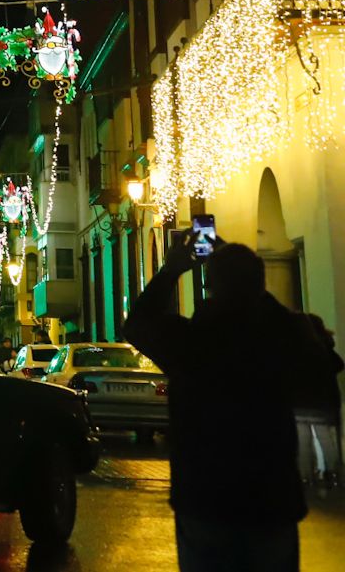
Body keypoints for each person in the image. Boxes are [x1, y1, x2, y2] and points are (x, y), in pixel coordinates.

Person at [123, 239, 342, 572]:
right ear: (259, 285)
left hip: (205, 497)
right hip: (271, 496)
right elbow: (316, 361)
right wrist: (257, 288)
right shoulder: (280, 335)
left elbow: (137, 323)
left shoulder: (191, 342)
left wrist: (171, 271)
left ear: (210, 285)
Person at [296, 313, 344, 493]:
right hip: (321, 404)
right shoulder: (323, 349)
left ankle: (306, 476)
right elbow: (338, 365)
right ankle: (333, 474)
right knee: (326, 439)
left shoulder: (294, 350)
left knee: (303, 441)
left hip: (298, 405)